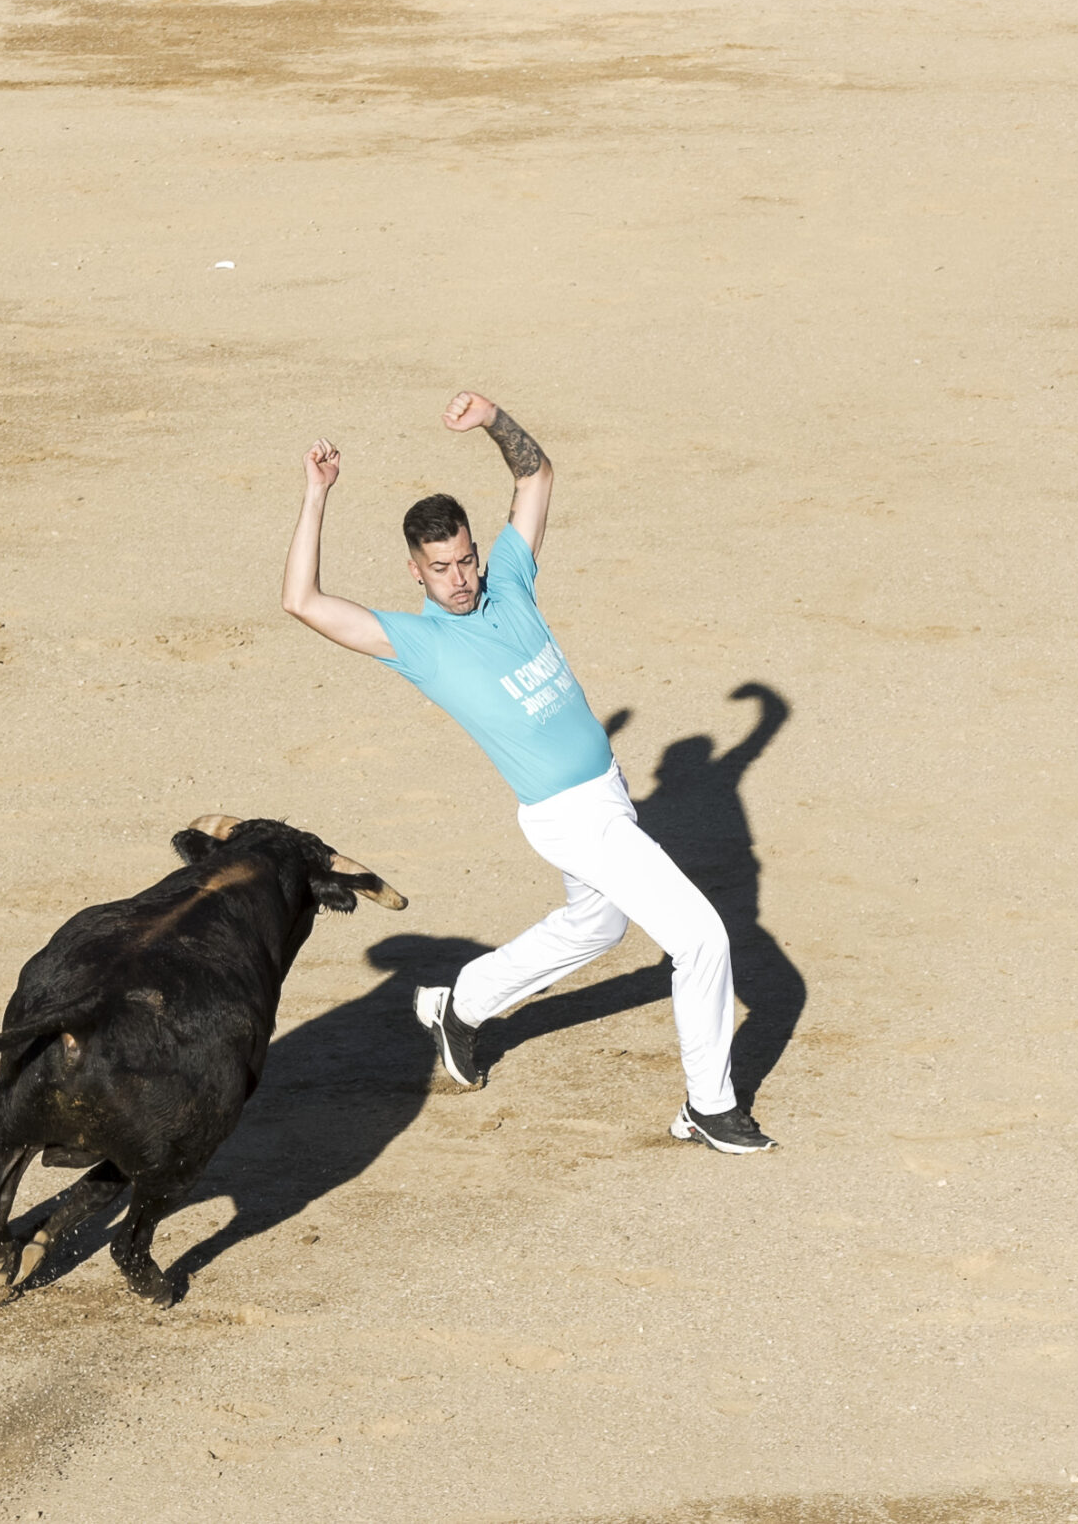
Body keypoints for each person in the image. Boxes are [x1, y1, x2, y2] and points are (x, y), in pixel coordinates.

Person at [279, 394, 775, 1153]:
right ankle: (707, 1105)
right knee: (703, 937)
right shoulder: (417, 643)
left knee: (597, 923)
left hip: (607, 794)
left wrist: (492, 418)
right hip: (573, 816)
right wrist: (317, 496)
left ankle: (462, 1005)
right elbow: (301, 601)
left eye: (465, 558)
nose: (459, 578)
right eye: (440, 567)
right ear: (413, 570)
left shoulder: (509, 579)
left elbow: (536, 474)